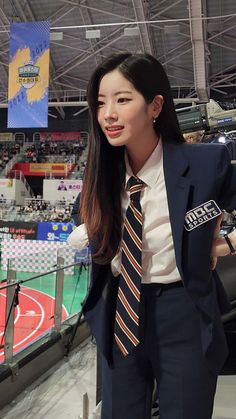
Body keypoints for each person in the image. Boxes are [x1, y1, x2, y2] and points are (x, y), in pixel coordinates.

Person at [67, 53, 236, 419]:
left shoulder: (207, 163)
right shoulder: (100, 176)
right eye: (100, 103)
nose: (108, 113)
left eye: (122, 99)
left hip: (183, 313)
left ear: (155, 105)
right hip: (120, 310)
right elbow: (85, 225)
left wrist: (227, 243)